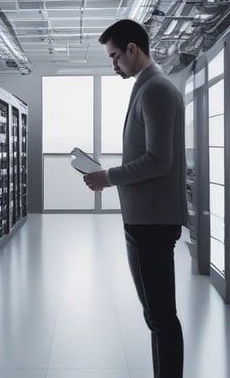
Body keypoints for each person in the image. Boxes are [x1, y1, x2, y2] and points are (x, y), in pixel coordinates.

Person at [84, 19, 188, 378]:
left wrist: (107, 177)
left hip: (153, 222)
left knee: (160, 316)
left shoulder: (156, 89)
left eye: (115, 56)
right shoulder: (148, 87)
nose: (113, 64)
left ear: (133, 49)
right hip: (144, 218)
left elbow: (160, 160)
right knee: (155, 314)